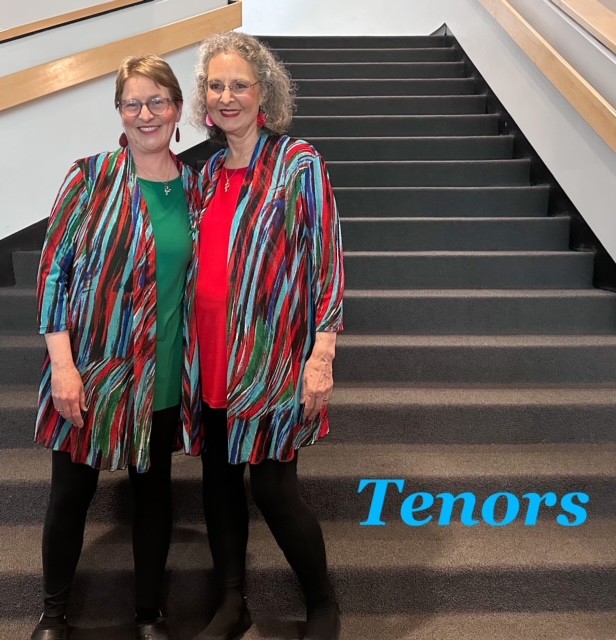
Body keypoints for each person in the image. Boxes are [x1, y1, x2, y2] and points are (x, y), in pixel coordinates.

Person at [31, 54, 203, 640]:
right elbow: (53, 273)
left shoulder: (197, 190)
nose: (145, 113)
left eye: (157, 101)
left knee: (153, 494)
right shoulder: (91, 177)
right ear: (120, 112)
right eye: (133, 103)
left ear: (177, 109)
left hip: (163, 370)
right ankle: (53, 614)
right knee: (71, 493)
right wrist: (62, 367)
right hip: (91, 369)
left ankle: (149, 615)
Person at [191, 32, 344, 640]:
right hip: (208, 354)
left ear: (264, 92)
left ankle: (323, 604)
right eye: (216, 85)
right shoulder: (206, 174)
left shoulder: (297, 162)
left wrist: (322, 354)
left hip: (271, 358)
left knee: (275, 488)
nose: (227, 97)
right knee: (219, 481)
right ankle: (233, 603)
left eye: (239, 85)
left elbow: (326, 261)